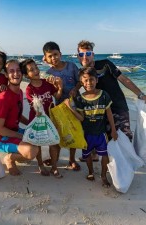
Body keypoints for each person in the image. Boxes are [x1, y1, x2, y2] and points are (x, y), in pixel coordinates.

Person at [77, 40, 146, 162]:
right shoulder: (83, 73)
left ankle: (128, 163)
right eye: (81, 54)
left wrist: (140, 94)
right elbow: (79, 85)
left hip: (118, 106)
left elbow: (123, 79)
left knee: (124, 137)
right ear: (78, 56)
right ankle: (94, 154)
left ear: (93, 55)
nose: (85, 57)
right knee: (100, 133)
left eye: (88, 53)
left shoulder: (106, 64)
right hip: (99, 110)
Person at [65, 67, 118, 187]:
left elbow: (109, 113)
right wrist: (70, 109)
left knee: (104, 155)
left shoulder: (104, 95)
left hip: (101, 133)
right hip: (87, 134)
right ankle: (90, 172)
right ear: (81, 83)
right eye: (86, 81)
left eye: (91, 79)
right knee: (87, 155)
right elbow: (82, 118)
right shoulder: (80, 99)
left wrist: (113, 130)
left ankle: (104, 176)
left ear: (97, 80)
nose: (89, 83)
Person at [0, 60, 39, 176]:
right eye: (11, 71)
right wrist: (23, 136)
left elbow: (17, 115)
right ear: (6, 75)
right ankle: (9, 159)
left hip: (14, 130)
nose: (16, 74)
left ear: (22, 73)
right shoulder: (4, 97)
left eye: (18, 70)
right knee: (31, 151)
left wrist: (32, 124)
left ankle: (19, 154)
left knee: (39, 136)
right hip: (2, 138)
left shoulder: (19, 92)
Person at [42, 41, 82, 171]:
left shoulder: (71, 66)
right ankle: (55, 158)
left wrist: (75, 89)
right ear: (46, 59)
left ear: (60, 54)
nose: (53, 58)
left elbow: (80, 82)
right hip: (59, 108)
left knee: (73, 132)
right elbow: (56, 96)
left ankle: (72, 159)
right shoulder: (48, 73)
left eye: (55, 54)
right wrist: (59, 88)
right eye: (50, 56)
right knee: (57, 133)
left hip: (74, 105)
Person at [20, 58, 63, 178]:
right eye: (31, 70)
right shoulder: (29, 89)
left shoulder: (47, 83)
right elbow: (34, 106)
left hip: (50, 118)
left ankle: (54, 166)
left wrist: (60, 87)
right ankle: (41, 165)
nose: (35, 71)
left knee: (53, 143)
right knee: (38, 143)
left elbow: (57, 95)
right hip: (36, 120)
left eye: (36, 68)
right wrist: (38, 109)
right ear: (26, 75)